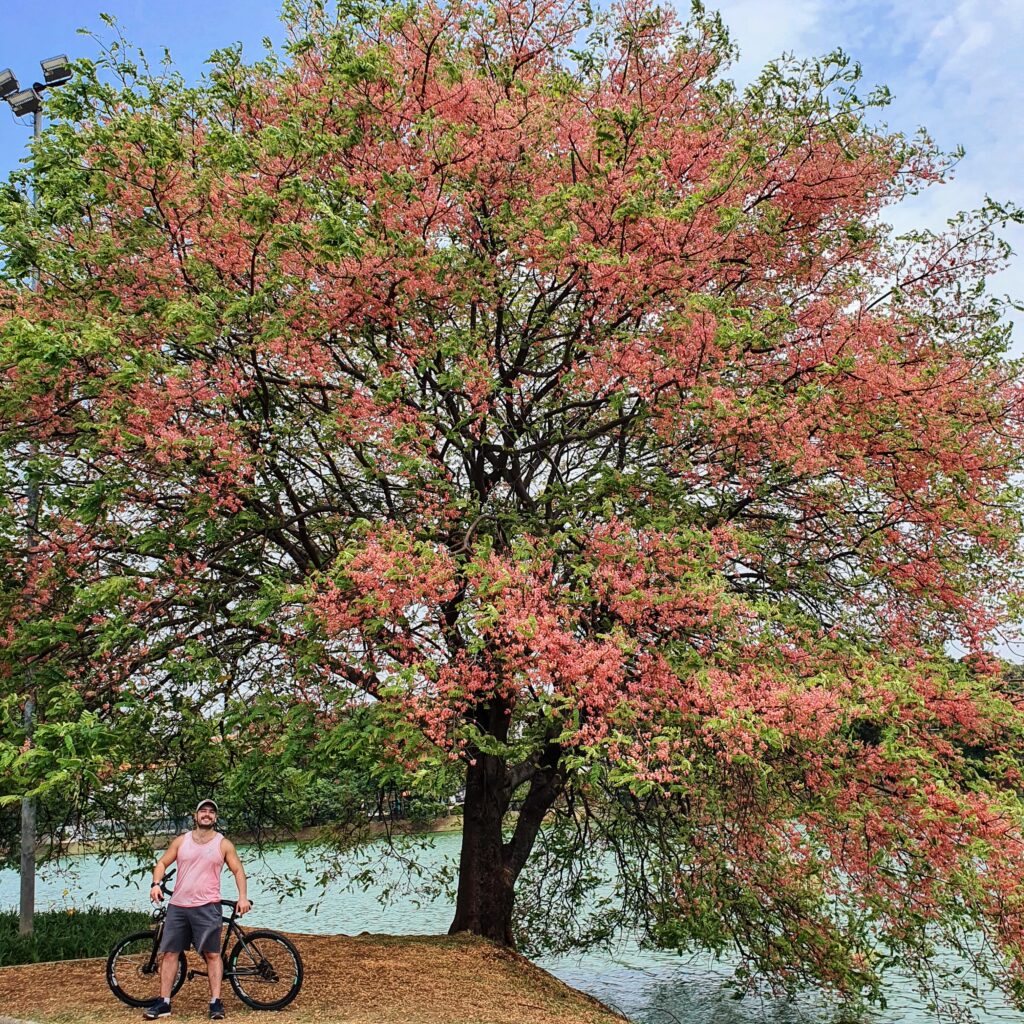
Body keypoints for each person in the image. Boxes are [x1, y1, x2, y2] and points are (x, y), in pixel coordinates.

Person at [144, 799, 251, 1020]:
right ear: (195, 816)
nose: (207, 814)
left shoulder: (223, 844)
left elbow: (238, 870)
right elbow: (162, 863)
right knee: (170, 953)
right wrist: (155, 884)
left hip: (207, 906)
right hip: (179, 907)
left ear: (215, 818)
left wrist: (243, 897)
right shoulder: (181, 841)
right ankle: (164, 1002)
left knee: (212, 954)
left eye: (212, 812)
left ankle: (215, 1003)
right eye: (203, 810)